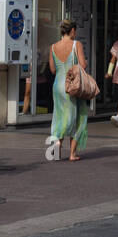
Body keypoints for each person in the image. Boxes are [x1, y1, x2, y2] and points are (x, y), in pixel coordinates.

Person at [48, 19, 89, 157]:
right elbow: (82, 65)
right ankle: (72, 154)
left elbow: (53, 69)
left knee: (59, 117)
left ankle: (56, 151)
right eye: (75, 31)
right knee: (77, 117)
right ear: (72, 31)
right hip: (72, 86)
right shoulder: (76, 45)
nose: (75, 33)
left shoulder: (53, 47)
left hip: (58, 85)